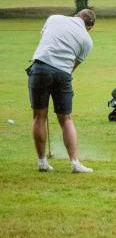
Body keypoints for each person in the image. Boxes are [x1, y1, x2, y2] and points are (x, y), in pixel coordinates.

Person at [27, 9, 96, 173]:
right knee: (66, 119)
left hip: (40, 67)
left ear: (76, 16)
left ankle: (42, 162)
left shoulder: (54, 18)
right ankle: (75, 163)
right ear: (90, 26)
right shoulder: (87, 40)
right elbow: (73, 67)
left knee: (39, 116)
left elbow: (44, 38)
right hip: (62, 73)